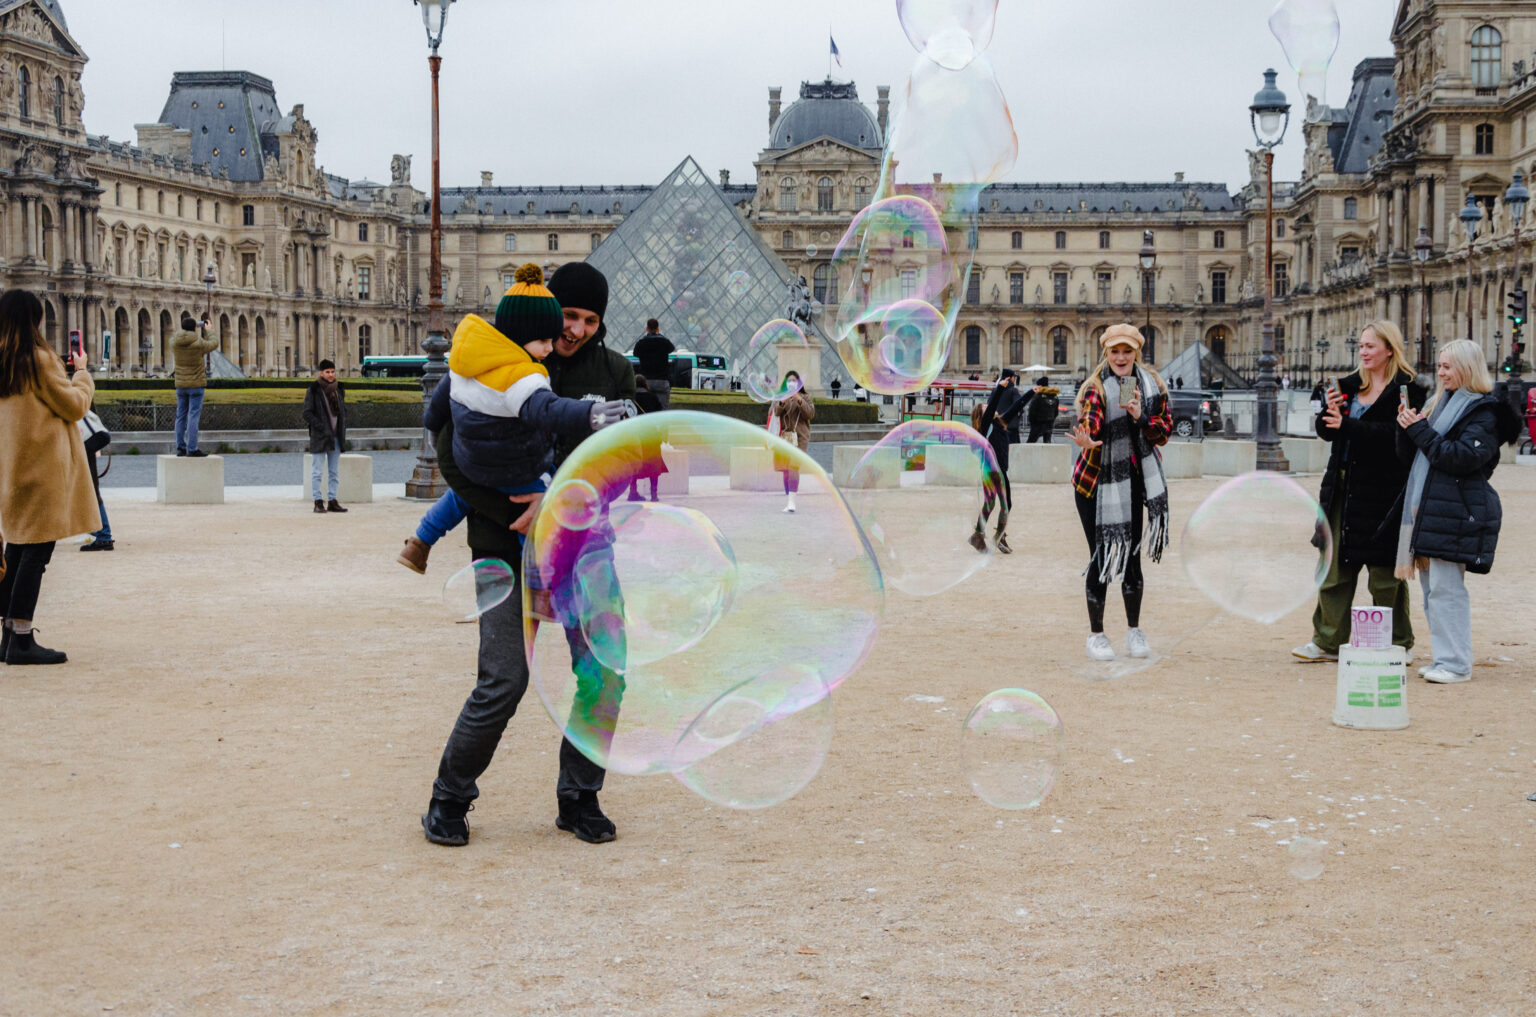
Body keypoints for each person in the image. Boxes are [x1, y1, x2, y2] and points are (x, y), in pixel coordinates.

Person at [422, 260, 633, 848]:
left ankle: (579, 795)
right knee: (505, 678)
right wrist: (516, 508)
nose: (578, 330)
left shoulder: (616, 372)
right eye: (568, 316)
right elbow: (449, 458)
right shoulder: (489, 364)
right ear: (544, 309)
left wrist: (557, 502)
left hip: (583, 543)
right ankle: (449, 796)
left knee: (604, 671)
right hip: (503, 542)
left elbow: (621, 465)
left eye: (591, 320)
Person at [1294, 320, 1426, 662]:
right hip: (1344, 488)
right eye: (1361, 346)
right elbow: (1327, 431)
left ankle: (1398, 641)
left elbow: (1397, 436)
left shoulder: (1408, 389)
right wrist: (1329, 415)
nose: (1363, 352)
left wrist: (1348, 424)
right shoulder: (1347, 386)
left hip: (1385, 491)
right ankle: (1327, 641)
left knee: (1385, 576)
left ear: (1389, 350)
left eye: (1370, 346)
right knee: (1334, 569)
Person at [1393, 339, 1520, 683]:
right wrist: (1406, 430)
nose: (1441, 372)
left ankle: (1455, 664)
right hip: (1434, 505)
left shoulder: (1485, 412)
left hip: (1457, 508)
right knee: (1434, 589)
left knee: (1447, 589)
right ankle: (1444, 658)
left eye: (1448, 366)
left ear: (1467, 368)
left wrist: (1418, 430)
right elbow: (1414, 458)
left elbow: (1462, 458)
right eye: (1440, 365)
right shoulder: (1441, 405)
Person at [0, 289, 100, 665]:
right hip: (41, 470)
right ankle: (22, 637)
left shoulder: (4, 360)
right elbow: (74, 407)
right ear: (34, 321)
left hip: (11, 467)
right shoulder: (38, 359)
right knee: (36, 554)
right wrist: (83, 374)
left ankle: (8, 635)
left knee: (18, 549)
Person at [1068, 323, 1173, 662]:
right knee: (1101, 557)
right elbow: (1092, 420)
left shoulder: (1149, 385)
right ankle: (1096, 635)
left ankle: (1133, 631)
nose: (1121, 357)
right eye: (1115, 351)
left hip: (1134, 481)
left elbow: (1163, 432)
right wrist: (1088, 437)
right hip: (1095, 483)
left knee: (1131, 558)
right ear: (1106, 353)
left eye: (1127, 351)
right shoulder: (1096, 387)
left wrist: (1141, 416)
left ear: (1136, 353)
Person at [970, 368, 1024, 553]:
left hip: (999, 470)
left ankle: (979, 535)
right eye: (986, 407)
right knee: (1004, 504)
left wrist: (1034, 391)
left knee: (992, 503)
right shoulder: (985, 427)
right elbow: (992, 406)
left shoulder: (999, 422)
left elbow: (1016, 407)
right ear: (981, 416)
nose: (990, 407)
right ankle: (999, 537)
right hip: (993, 471)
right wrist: (1000, 389)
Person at [170, 312, 219, 457]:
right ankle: (192, 448)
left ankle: (180, 447)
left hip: (180, 385)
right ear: (195, 328)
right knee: (193, 416)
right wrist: (209, 331)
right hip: (196, 385)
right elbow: (214, 344)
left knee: (180, 416)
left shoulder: (174, 343)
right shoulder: (198, 344)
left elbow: (177, 335)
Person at [302, 359, 348, 513]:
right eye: (327, 372)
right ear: (321, 373)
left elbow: (342, 412)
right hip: (320, 436)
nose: (330, 374)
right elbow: (306, 413)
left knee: (334, 472)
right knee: (317, 472)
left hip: (335, 436)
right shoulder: (313, 390)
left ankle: (332, 500)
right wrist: (320, 426)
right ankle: (318, 501)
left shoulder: (339, 389)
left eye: (332, 371)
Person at [770, 371, 814, 513]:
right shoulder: (782, 397)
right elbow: (776, 412)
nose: (791, 383)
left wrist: (799, 400)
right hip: (785, 437)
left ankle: (791, 502)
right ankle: (789, 496)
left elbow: (810, 414)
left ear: (799, 383)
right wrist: (783, 402)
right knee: (785, 469)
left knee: (793, 467)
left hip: (800, 437)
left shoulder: (805, 397)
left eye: (794, 380)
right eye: (789, 381)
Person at [626, 374, 666, 502]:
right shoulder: (652, 397)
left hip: (635, 435)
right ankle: (654, 495)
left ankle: (633, 493)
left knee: (634, 464)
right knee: (653, 464)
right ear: (645, 384)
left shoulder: (631, 399)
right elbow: (660, 415)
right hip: (650, 435)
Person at [631, 318, 674, 408]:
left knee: (646, 409)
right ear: (658, 329)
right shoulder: (664, 342)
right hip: (662, 380)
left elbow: (635, 353)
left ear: (647, 329)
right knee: (663, 410)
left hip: (646, 381)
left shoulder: (641, 342)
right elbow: (671, 348)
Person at [1025, 375, 1058, 443]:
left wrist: (1032, 422)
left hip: (1037, 423)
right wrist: (1051, 419)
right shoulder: (1054, 396)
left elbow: (1032, 410)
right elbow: (1056, 411)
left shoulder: (1038, 396)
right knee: (1047, 442)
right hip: (1049, 423)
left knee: (1030, 443)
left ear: (1040, 386)